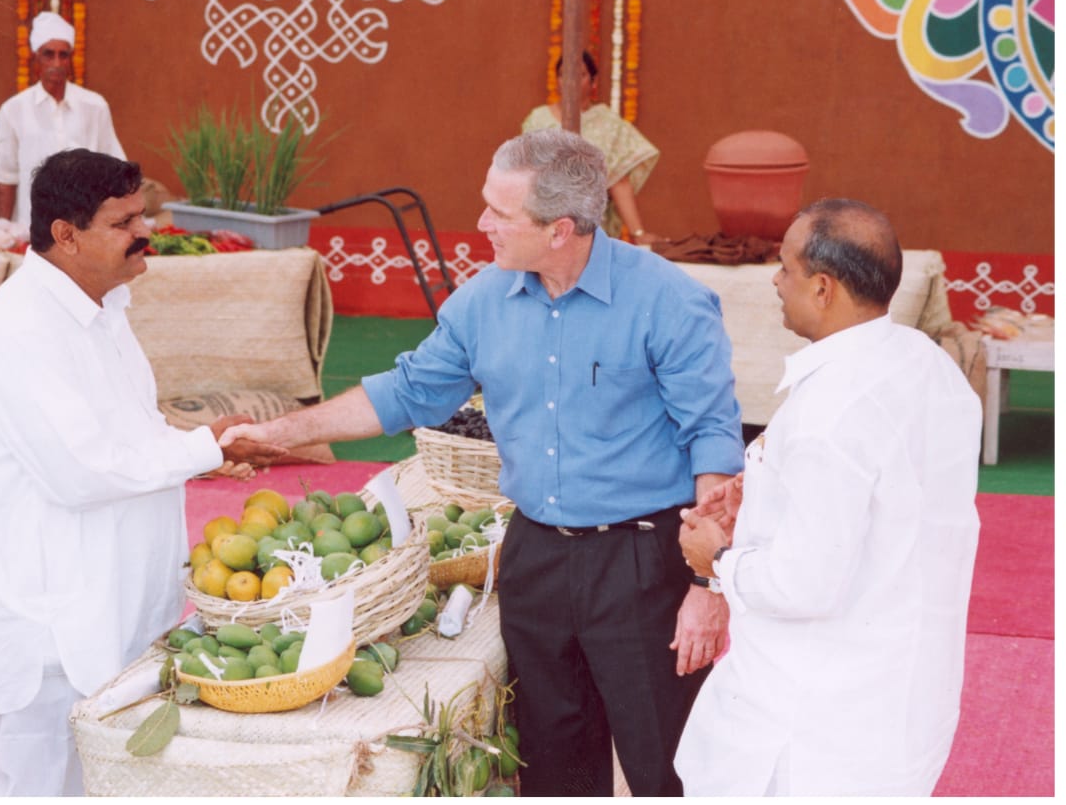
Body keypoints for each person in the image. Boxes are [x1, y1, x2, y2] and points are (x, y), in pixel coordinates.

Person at [220, 128, 745, 795]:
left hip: (643, 564)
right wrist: (279, 432)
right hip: (534, 559)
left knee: (668, 766)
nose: (481, 223)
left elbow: (714, 442)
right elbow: (407, 392)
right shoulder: (482, 301)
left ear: (560, 229)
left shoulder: (669, 302)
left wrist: (709, 585)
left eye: (500, 212)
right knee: (551, 768)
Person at [0, 149, 284, 795]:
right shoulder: (15, 329)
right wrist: (203, 449)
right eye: (124, 221)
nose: (145, 232)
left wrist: (207, 445)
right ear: (65, 235)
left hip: (111, 612)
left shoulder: (106, 307)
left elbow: (129, 434)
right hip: (47, 632)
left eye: (143, 215)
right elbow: (80, 472)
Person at [674, 199, 982, 795]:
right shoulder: (925, 362)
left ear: (822, 288)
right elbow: (892, 499)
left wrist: (714, 558)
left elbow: (802, 585)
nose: (775, 279)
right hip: (899, 696)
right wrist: (760, 493)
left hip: (811, 728)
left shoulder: (829, 414)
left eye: (786, 268)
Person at [0, 11, 125, 229]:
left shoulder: (95, 107)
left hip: (85, 230)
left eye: (63, 55)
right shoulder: (13, 110)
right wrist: (5, 231)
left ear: (70, 58)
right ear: (35, 57)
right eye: (49, 54)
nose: (56, 63)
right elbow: (5, 178)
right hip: (33, 232)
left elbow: (113, 171)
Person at [521, 51, 660, 244]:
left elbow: (619, 181)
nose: (570, 81)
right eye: (563, 74)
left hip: (591, 226)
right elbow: (525, 176)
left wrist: (638, 234)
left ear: (593, 82)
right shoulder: (538, 120)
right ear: (557, 81)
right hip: (545, 222)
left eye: (579, 75)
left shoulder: (608, 124)